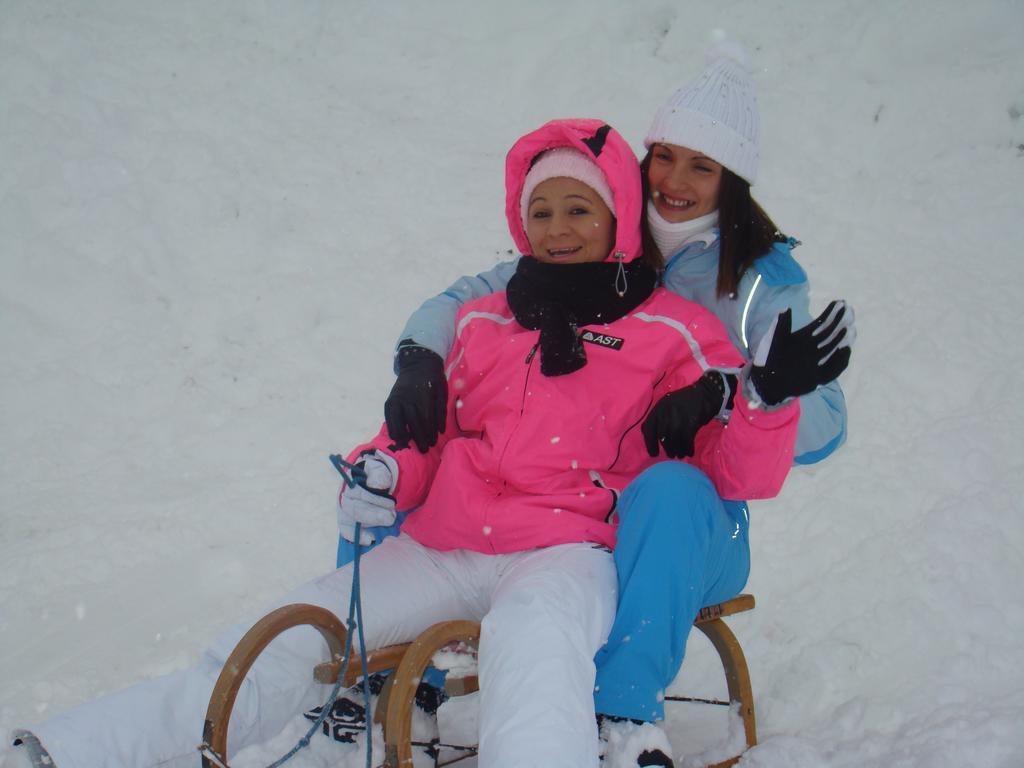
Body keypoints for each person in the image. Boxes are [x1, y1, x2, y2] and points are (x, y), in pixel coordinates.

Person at [7, 118, 808, 768]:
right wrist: (385, 466)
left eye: (578, 210)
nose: (558, 230)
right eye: (541, 211)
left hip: (568, 552)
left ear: (615, 218)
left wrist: (765, 401)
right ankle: (75, 748)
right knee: (297, 628)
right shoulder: (486, 318)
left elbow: (735, 472)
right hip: (448, 544)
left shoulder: (676, 332)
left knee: (535, 663)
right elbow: (423, 434)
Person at [373, 39, 855, 766]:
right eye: (666, 156)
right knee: (444, 437)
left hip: (693, 516)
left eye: (703, 165)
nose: (677, 181)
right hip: (586, 498)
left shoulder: (758, 280)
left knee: (666, 489)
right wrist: (420, 360)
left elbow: (824, 425)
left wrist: (733, 392)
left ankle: (622, 712)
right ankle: (416, 671)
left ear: (733, 180)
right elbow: (467, 299)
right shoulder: (599, 225)